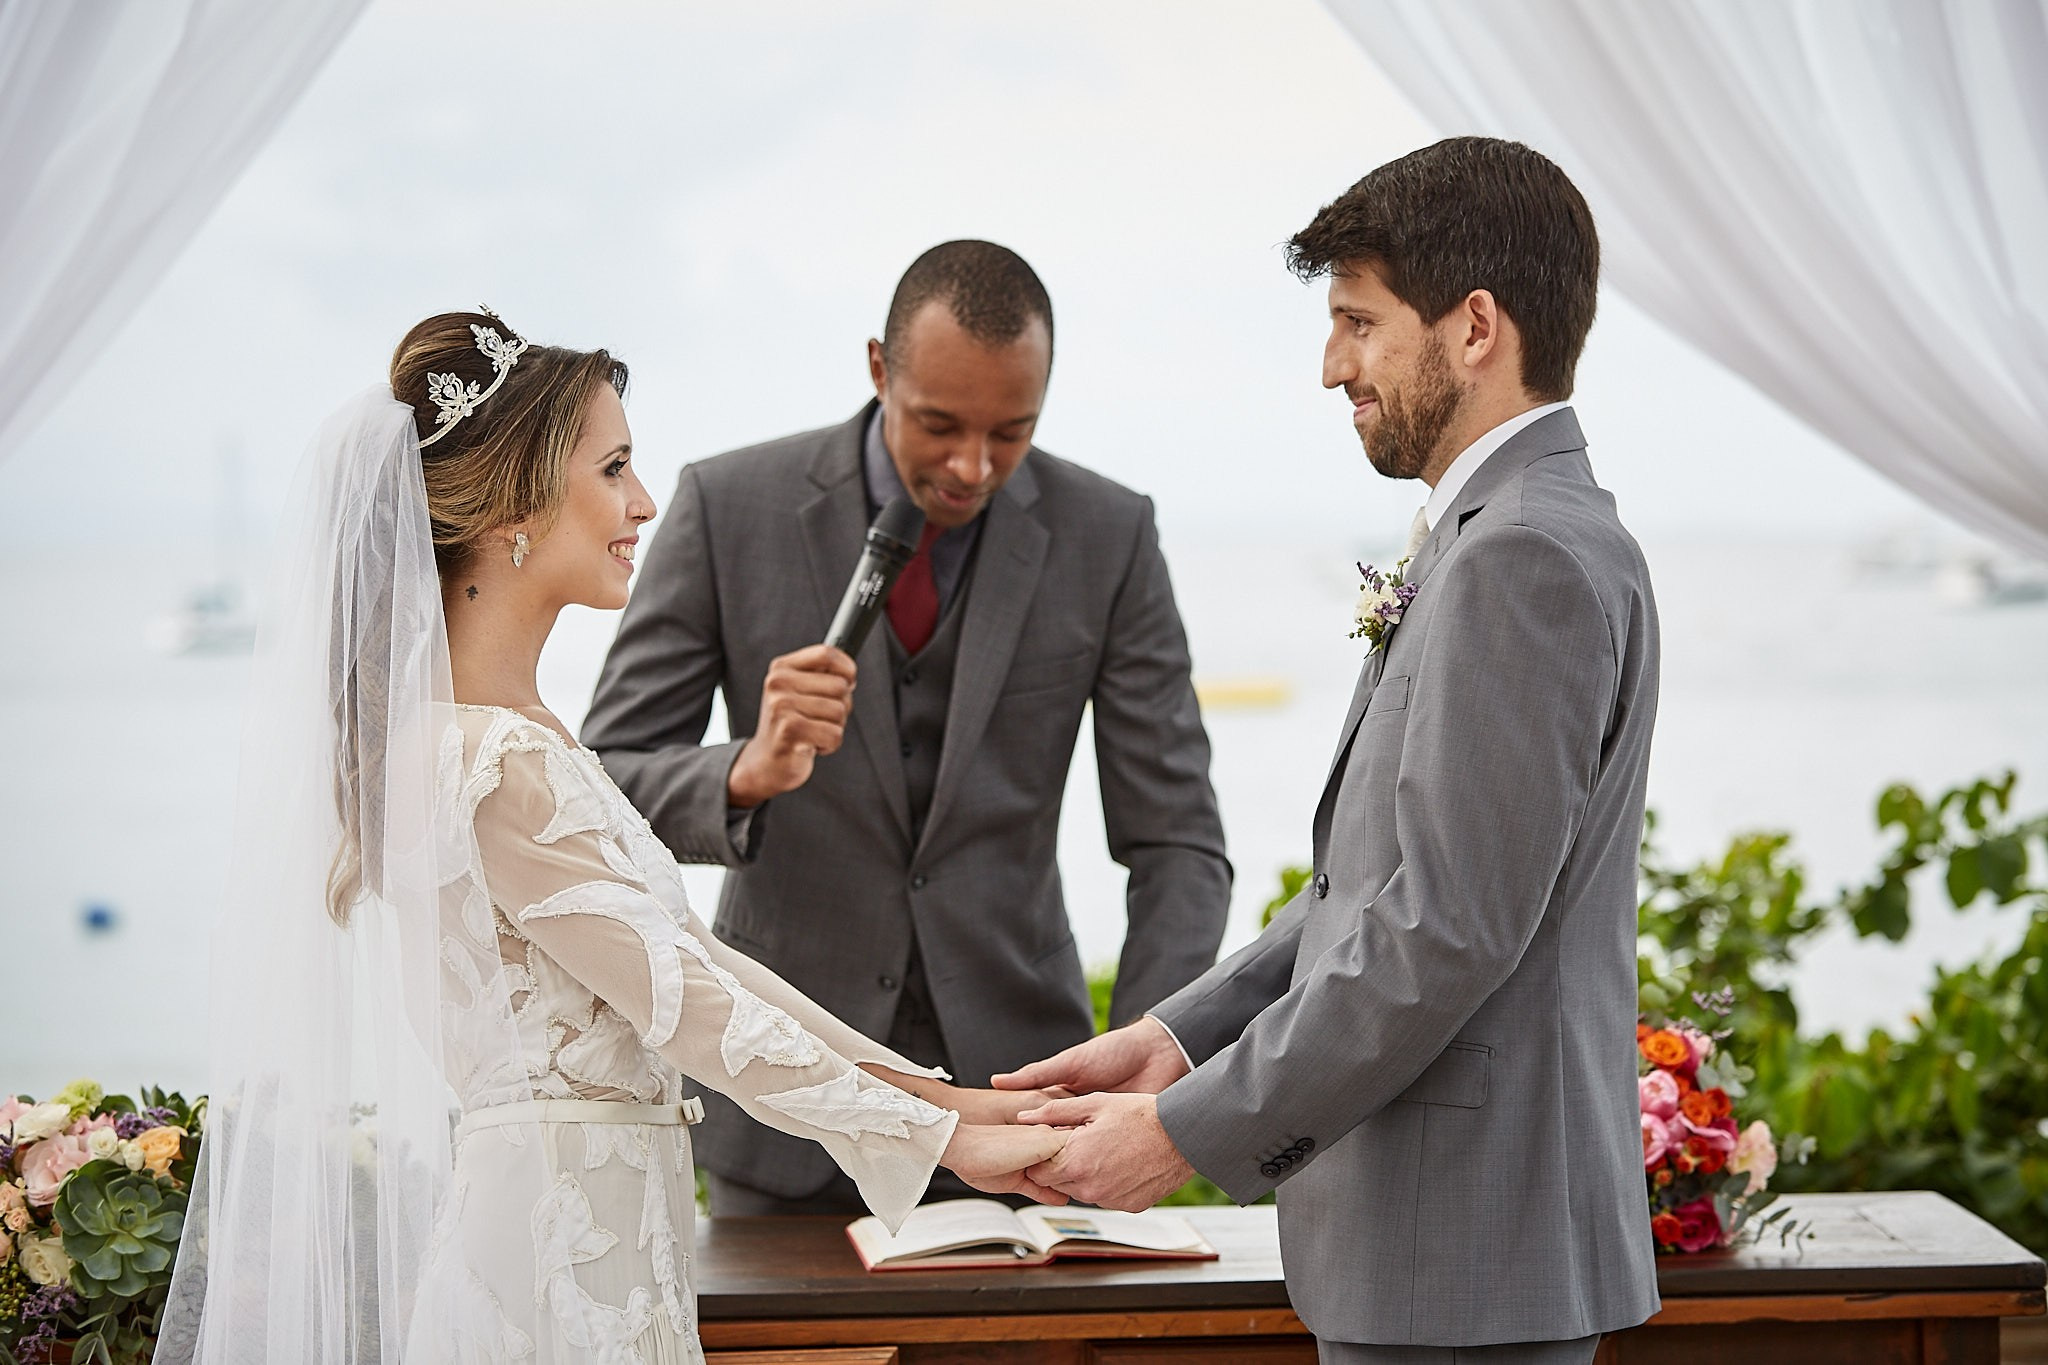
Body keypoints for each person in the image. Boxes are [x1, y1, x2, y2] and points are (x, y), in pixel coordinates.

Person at [158, 311, 1066, 1365]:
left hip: (604, 1253)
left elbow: (701, 963)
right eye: (614, 467)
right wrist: (941, 1139)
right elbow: (685, 1006)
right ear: (514, 505)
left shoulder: (525, 739)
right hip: (552, 1274)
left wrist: (942, 1097)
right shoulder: (490, 760)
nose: (643, 502)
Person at [1000, 138, 1664, 1362]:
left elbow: (1444, 929)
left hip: (1461, 1254)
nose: (1329, 366)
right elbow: (1372, 888)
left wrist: (1183, 1133)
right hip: (1442, 1256)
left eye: (1357, 323)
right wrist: (1175, 1041)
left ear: (1473, 327)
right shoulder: (1493, 533)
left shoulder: (1520, 557)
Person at [582, 240, 1233, 1215]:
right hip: (787, 1111)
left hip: (1032, 1108)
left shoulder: (1109, 533)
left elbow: (1179, 842)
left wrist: (1143, 1060)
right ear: (880, 368)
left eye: (1011, 432)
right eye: (939, 425)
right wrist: (745, 772)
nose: (973, 465)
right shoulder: (728, 508)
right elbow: (603, 788)